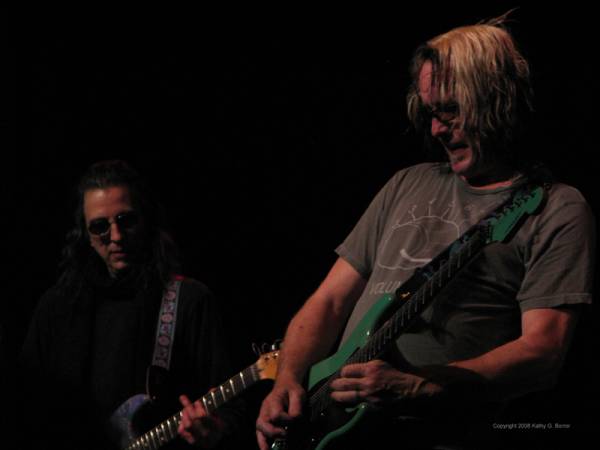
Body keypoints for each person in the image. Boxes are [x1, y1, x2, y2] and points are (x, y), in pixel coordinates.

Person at [255, 14, 596, 450]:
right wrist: (287, 380)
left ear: (497, 98)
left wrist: (418, 387)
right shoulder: (407, 183)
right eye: (432, 113)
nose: (436, 129)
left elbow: (543, 353)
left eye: (450, 111)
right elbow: (330, 300)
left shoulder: (557, 208)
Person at [20, 160, 242, 449]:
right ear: (85, 235)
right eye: (100, 226)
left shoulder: (188, 300)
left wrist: (214, 428)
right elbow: (24, 407)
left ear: (146, 220)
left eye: (126, 221)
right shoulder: (55, 309)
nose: (116, 237)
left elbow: (234, 410)